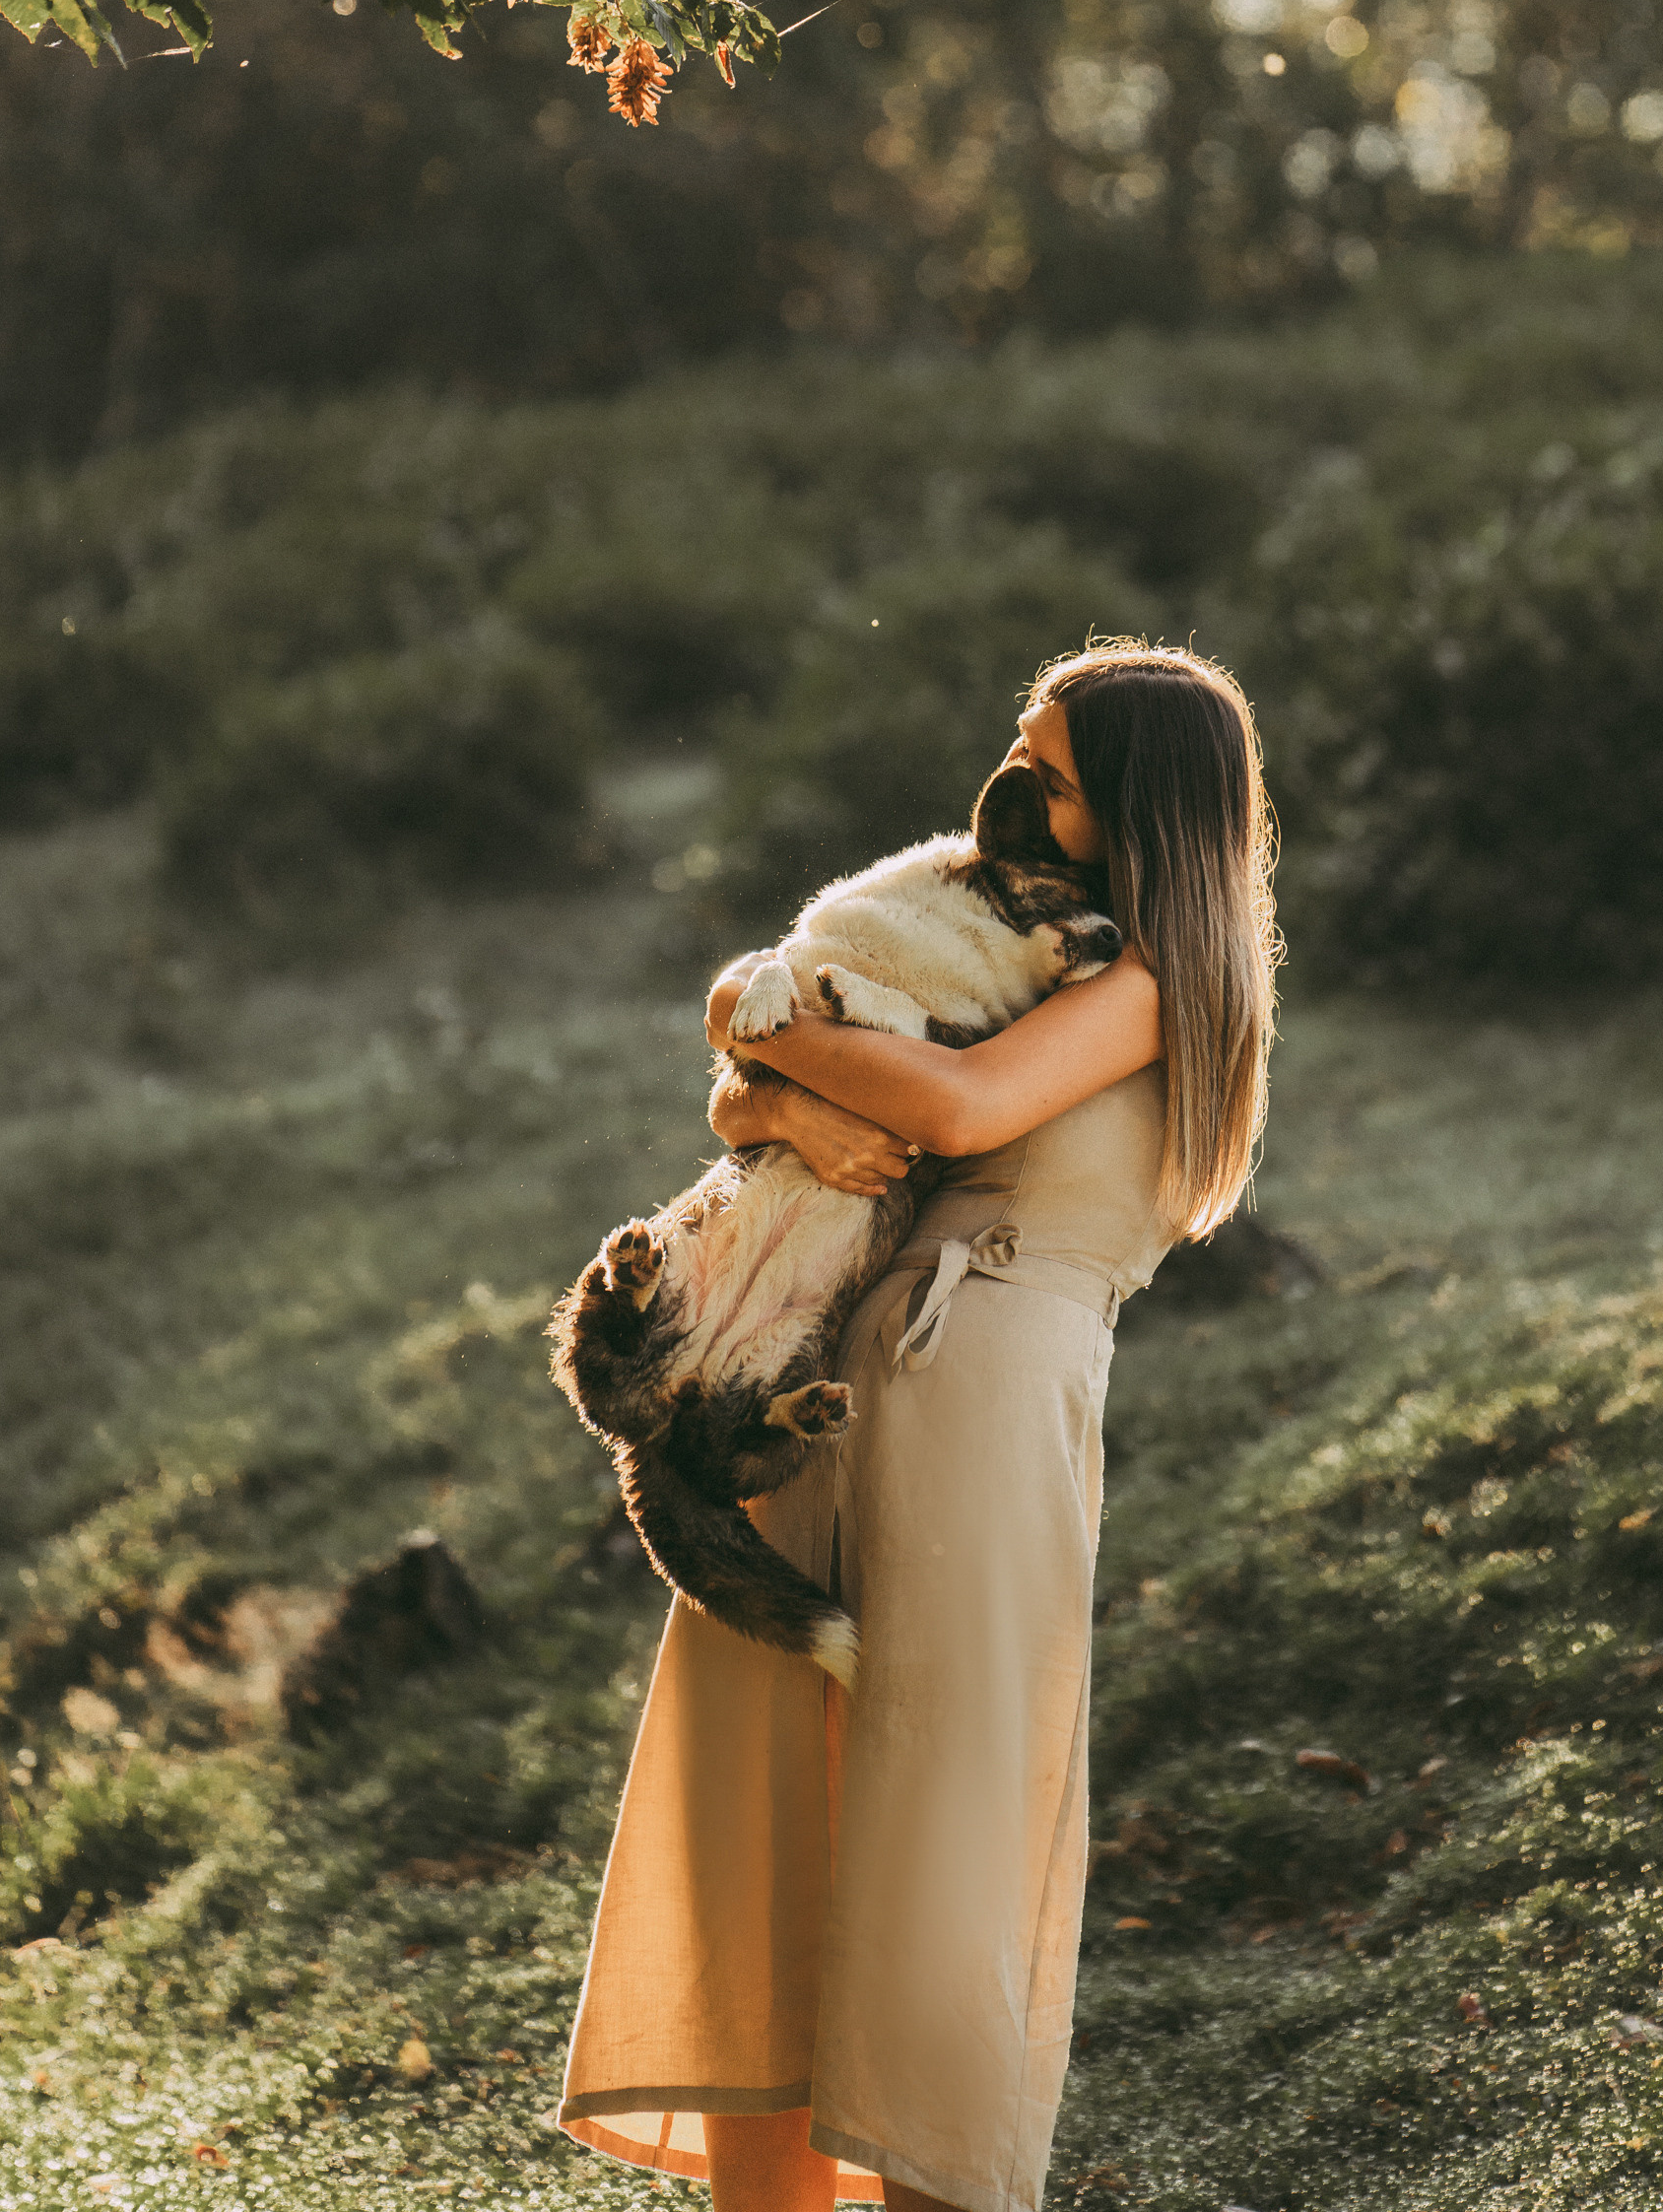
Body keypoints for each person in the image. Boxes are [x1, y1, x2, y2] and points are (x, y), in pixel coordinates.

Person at [558, 641, 1280, 2212]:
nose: (1014, 787)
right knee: (768, 1806)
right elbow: (805, 1096)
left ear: (1143, 817)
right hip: (824, 1387)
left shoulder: (1154, 990)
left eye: (1060, 776)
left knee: (939, 1818)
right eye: (1018, 749)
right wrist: (772, 1093)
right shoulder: (994, 943)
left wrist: (753, 1024)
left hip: (988, 1407)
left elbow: (946, 1114)